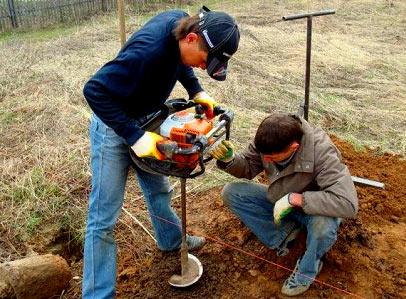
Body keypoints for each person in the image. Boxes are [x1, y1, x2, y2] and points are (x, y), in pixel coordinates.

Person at [82, 7, 240, 298]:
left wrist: (196, 90)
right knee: (103, 217)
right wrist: (133, 136)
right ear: (191, 38)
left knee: (158, 190)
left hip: (148, 117)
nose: (205, 67)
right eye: (205, 61)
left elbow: (180, 62)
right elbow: (93, 90)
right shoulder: (148, 52)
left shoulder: (179, 24)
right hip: (113, 125)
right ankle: (97, 294)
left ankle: (170, 240)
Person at [210, 113, 358, 296]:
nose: (267, 160)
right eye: (265, 156)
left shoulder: (322, 153)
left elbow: (347, 204)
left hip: (315, 209)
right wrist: (230, 160)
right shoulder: (269, 139)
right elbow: (248, 167)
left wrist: (298, 200)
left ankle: (308, 269)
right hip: (280, 198)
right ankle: (284, 236)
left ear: (294, 147)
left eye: (272, 158)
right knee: (232, 193)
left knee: (323, 227)